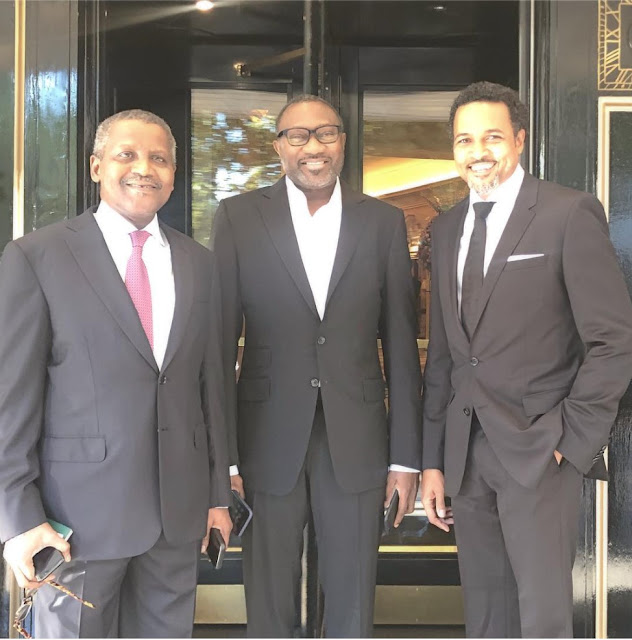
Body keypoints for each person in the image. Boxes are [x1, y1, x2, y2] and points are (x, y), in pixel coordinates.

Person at [0, 109, 232, 638]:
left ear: (173, 173)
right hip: (73, 522)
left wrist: (217, 495)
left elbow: (211, 389)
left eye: (159, 158)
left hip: (177, 517)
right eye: (127, 154)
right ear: (96, 166)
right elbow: (11, 399)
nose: (144, 168)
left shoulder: (200, 264)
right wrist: (17, 517)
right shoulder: (37, 256)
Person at [421, 81, 632, 638]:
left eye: (492, 137)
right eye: (465, 140)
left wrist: (571, 441)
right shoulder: (446, 229)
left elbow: (613, 341)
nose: (478, 151)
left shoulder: (567, 213)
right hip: (465, 455)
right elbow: (443, 357)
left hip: (541, 450)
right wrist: (433, 460)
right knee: (487, 616)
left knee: (542, 618)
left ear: (519, 140)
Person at [211, 95, 422, 637]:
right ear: (278, 147)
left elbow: (402, 345)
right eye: (298, 135)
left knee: (353, 597)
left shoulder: (383, 222)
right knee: (269, 597)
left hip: (358, 436)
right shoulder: (239, 217)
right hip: (264, 436)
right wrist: (224, 460)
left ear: (342, 142)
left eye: (326, 133)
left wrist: (405, 457)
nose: (314, 146)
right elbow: (219, 344)